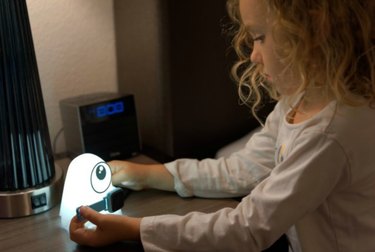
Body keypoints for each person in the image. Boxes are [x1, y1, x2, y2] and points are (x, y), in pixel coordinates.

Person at [69, 0, 375, 251]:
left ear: (313, 29)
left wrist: (135, 229)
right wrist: (152, 174)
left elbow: (247, 229)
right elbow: (243, 169)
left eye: (259, 37)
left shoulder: (330, 134)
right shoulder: (299, 101)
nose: (253, 55)